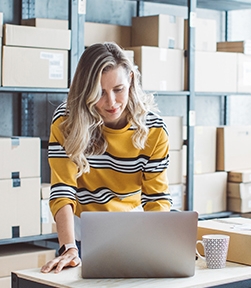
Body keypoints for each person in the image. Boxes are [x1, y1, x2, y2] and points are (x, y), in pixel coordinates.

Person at [41, 42, 172, 273]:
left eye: (118, 89)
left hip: (133, 226)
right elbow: (62, 190)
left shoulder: (154, 129)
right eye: (99, 93)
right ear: (85, 91)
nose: (111, 102)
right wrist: (69, 248)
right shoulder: (66, 122)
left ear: (131, 79)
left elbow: (157, 199)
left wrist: (160, 242)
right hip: (80, 233)